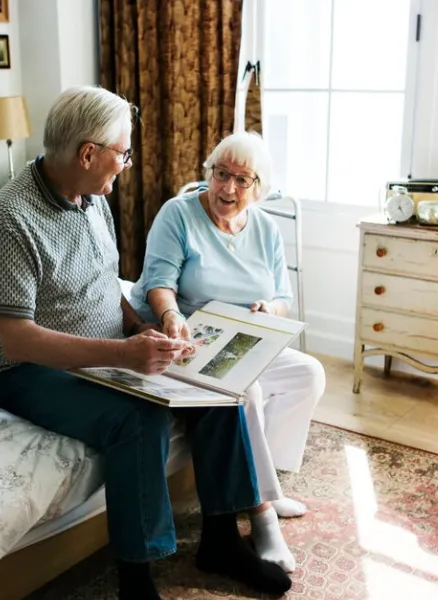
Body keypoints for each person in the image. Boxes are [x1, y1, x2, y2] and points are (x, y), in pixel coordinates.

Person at [0, 86, 292, 600]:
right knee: (137, 420)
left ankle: (220, 539)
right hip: (24, 371)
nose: (125, 164)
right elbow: (15, 340)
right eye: (122, 153)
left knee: (214, 385)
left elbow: (103, 284)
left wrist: (138, 327)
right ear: (87, 154)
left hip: (101, 348)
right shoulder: (8, 219)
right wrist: (121, 353)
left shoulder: (92, 198)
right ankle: (136, 581)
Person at [127, 130, 327, 573]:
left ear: (259, 188)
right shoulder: (177, 214)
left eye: (242, 179)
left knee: (309, 374)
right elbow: (158, 283)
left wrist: (267, 308)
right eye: (221, 174)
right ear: (209, 173)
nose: (228, 188)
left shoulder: (266, 228)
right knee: (246, 393)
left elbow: (282, 296)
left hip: (244, 339)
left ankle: (267, 477)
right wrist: (171, 318)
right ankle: (259, 510)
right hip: (190, 341)